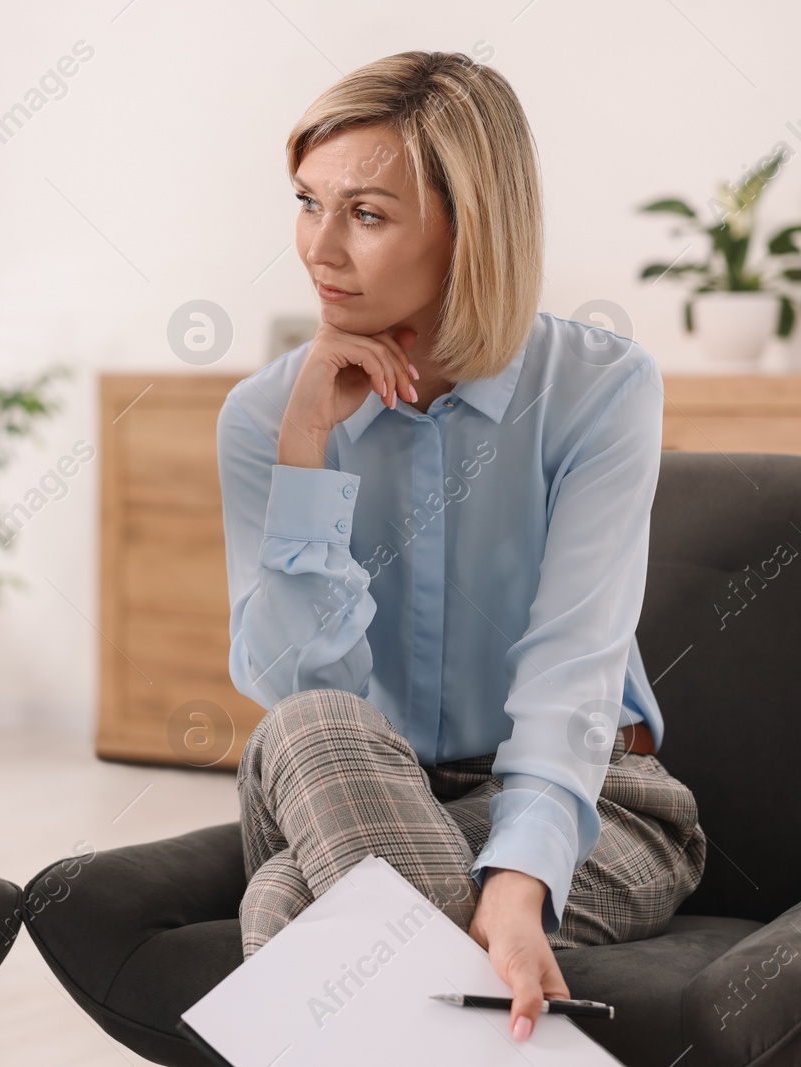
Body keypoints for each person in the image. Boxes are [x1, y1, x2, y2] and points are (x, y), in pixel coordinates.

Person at [220, 51, 706, 1045]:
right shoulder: (267, 414)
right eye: (307, 203)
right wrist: (305, 457)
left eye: (365, 214)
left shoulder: (598, 388)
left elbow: (574, 671)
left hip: (594, 802)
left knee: (284, 910)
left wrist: (518, 885)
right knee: (311, 721)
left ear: (467, 225)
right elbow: (289, 683)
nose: (319, 248)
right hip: (353, 780)